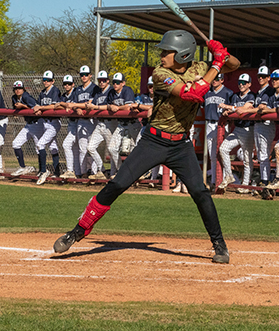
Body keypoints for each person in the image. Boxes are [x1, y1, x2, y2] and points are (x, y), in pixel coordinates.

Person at [53, 29, 240, 264]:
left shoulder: (200, 68)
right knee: (117, 184)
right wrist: (216, 64)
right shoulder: (161, 74)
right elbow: (192, 94)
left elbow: (234, 64)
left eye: (167, 51)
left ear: (183, 55)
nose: (161, 55)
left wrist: (220, 52)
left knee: (200, 193)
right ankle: (77, 231)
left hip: (180, 145)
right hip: (153, 141)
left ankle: (220, 245)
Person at [218, 73, 255, 193]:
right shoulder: (235, 96)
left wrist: (228, 107)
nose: (241, 85)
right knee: (223, 148)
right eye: (240, 82)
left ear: (249, 84)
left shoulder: (251, 95)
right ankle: (229, 175)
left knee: (247, 157)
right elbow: (233, 110)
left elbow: (244, 109)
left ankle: (245, 185)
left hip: (248, 129)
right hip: (237, 128)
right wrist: (226, 112)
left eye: (244, 83)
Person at [244, 65, 275, 187]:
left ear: (268, 78)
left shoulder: (268, 91)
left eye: (263, 76)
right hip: (259, 125)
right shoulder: (259, 91)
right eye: (259, 76)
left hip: (266, 124)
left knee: (263, 155)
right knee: (261, 155)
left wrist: (246, 110)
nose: (260, 78)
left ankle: (265, 180)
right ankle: (264, 179)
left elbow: (261, 108)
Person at [259, 69, 279, 190]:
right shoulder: (271, 92)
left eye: (277, 79)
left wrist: (270, 110)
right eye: (273, 79)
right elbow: (264, 108)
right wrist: (270, 110)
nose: (274, 81)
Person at [106, 72, 139, 175]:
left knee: (136, 150)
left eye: (118, 82)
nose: (115, 84)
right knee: (112, 148)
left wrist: (118, 108)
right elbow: (109, 105)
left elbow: (129, 106)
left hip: (133, 124)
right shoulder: (111, 92)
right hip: (121, 124)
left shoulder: (127, 90)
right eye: (114, 82)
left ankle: (137, 173)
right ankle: (122, 172)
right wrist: (110, 107)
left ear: (123, 83)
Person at [203, 72, 233, 187]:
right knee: (212, 155)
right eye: (213, 79)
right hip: (209, 124)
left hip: (221, 124)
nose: (214, 81)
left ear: (222, 80)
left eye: (217, 79)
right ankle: (215, 181)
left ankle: (224, 180)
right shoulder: (207, 93)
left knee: (222, 153)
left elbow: (232, 109)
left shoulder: (228, 93)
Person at [32, 70, 62, 185]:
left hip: (54, 122)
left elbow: (54, 106)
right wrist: (38, 109)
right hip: (45, 123)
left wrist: (41, 108)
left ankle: (44, 170)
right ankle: (57, 171)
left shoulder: (55, 90)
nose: (46, 82)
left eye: (48, 80)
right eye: (44, 80)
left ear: (53, 81)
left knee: (40, 144)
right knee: (53, 147)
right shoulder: (42, 93)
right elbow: (39, 105)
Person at [85, 70, 115, 179]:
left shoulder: (111, 91)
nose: (101, 82)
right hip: (99, 123)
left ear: (108, 81)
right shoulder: (97, 92)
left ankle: (113, 173)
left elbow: (111, 106)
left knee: (112, 150)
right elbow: (91, 104)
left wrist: (95, 107)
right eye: (99, 81)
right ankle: (101, 170)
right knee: (90, 147)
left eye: (103, 80)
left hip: (110, 124)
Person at [72, 65, 100, 177]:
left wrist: (78, 106)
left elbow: (91, 104)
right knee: (82, 149)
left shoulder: (95, 88)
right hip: (82, 121)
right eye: (82, 75)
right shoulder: (78, 89)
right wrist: (77, 108)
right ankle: (83, 173)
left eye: (86, 75)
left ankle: (94, 172)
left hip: (93, 121)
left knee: (92, 148)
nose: (84, 77)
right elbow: (73, 104)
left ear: (90, 76)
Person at [9, 81, 41, 177]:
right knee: (15, 143)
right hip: (28, 125)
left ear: (23, 89)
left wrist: (23, 106)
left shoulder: (27, 97)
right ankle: (22, 167)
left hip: (37, 124)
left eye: (20, 88)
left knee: (39, 147)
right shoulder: (14, 98)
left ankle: (42, 170)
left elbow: (36, 108)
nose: (18, 90)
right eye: (16, 89)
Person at [56, 75, 81, 179]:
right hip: (71, 123)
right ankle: (77, 172)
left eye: (69, 84)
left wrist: (68, 106)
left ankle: (70, 170)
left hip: (80, 122)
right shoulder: (64, 96)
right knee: (74, 148)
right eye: (65, 84)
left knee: (67, 144)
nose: (67, 86)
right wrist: (65, 105)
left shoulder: (76, 92)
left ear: (73, 84)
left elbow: (76, 105)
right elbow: (58, 104)